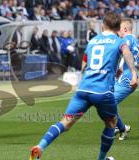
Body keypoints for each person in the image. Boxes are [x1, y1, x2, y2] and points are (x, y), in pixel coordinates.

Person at [29, 12, 138, 160]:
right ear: (118, 27)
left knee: (65, 122)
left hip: (83, 89)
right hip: (102, 92)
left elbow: (85, 63)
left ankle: (40, 146)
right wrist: (133, 72)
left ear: (103, 25)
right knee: (111, 123)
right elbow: (127, 53)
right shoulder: (119, 42)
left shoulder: (93, 41)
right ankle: (101, 159)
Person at [113, 19, 139, 140]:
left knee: (108, 102)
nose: (118, 31)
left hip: (126, 78)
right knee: (109, 101)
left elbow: (122, 53)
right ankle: (120, 127)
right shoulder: (136, 41)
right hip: (127, 75)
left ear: (124, 29)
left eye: (119, 29)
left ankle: (121, 127)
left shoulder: (126, 40)